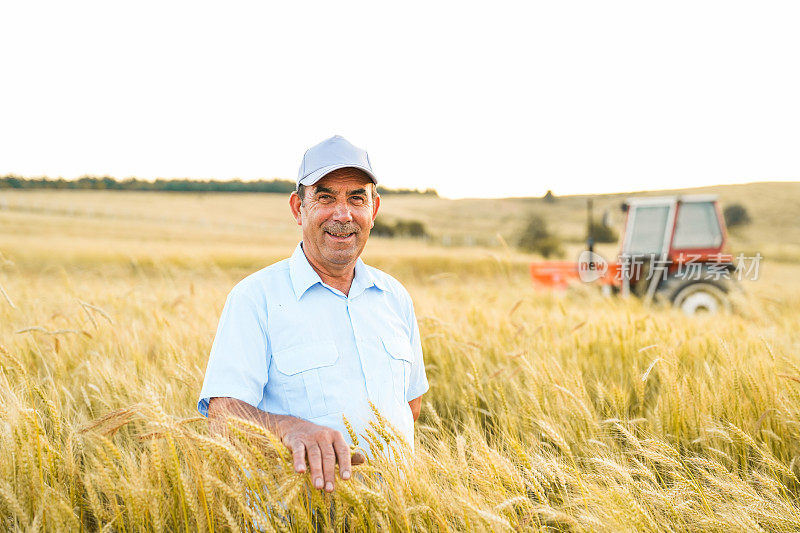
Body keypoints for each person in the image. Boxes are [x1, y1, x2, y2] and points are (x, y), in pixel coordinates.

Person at [197, 135, 429, 494]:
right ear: (297, 207)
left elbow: (409, 407)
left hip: (400, 514)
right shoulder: (255, 298)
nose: (343, 214)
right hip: (300, 518)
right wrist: (288, 428)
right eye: (325, 197)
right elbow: (222, 417)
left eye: (357, 198)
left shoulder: (395, 297)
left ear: (374, 209)